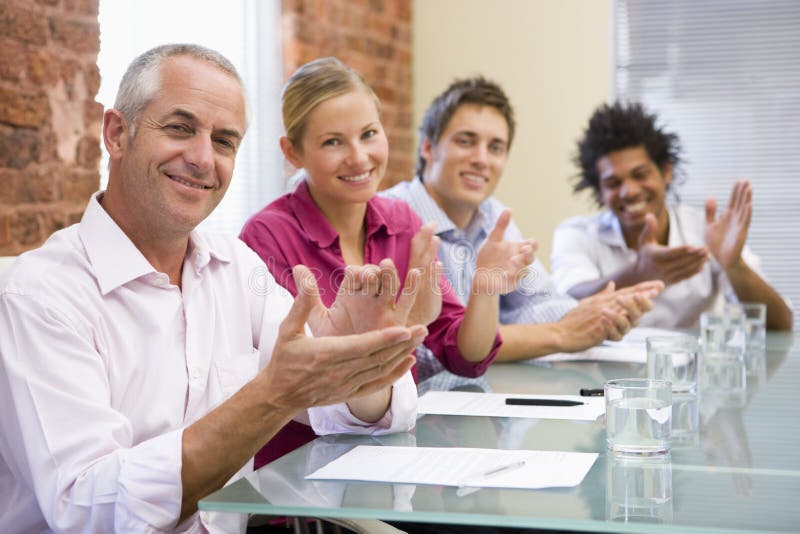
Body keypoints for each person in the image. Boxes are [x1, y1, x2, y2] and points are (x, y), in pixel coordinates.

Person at [0, 44, 430, 533]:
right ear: (117, 133)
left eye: (224, 141)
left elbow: (355, 415)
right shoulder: (40, 297)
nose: (203, 159)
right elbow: (90, 510)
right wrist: (273, 395)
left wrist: (355, 365)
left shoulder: (235, 267)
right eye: (179, 128)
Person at [240, 59, 533, 437]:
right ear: (292, 152)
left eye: (368, 134)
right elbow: (298, 386)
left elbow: (466, 357)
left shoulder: (402, 222)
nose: (359, 157)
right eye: (332, 142)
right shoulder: (267, 237)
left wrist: (485, 288)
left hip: (392, 449)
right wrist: (403, 329)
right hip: (303, 458)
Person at [383, 77, 663, 363]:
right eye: (466, 142)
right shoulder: (391, 218)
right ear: (428, 148)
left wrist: (600, 314)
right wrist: (563, 332)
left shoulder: (492, 215)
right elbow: (427, 352)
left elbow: (535, 301)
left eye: (496, 147)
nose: (482, 159)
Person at [551, 102, 793, 330]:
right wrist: (639, 274)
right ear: (600, 191)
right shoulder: (577, 234)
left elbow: (780, 324)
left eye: (640, 174)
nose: (629, 191)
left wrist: (734, 265)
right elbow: (566, 308)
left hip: (693, 361)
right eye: (613, 183)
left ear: (666, 172)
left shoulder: (707, 231)